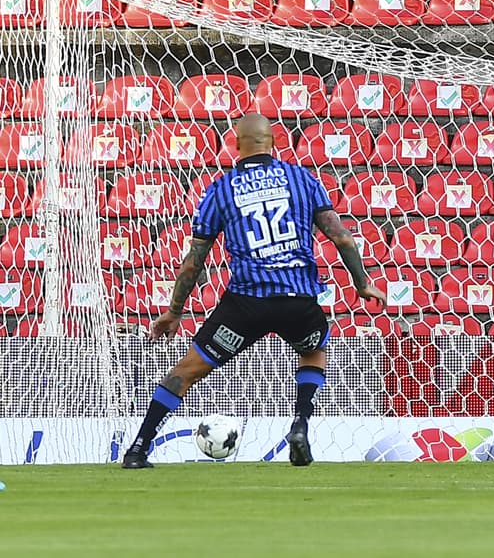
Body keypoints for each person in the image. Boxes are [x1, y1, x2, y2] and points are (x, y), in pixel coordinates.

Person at [121, 113, 387, 469]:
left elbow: (193, 261)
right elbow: (340, 235)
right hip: (298, 301)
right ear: (274, 143)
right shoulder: (302, 179)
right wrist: (362, 282)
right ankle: (300, 424)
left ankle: (138, 449)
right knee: (313, 353)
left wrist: (175, 310)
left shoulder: (222, 188)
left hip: (245, 306)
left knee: (184, 372)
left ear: (235, 146)